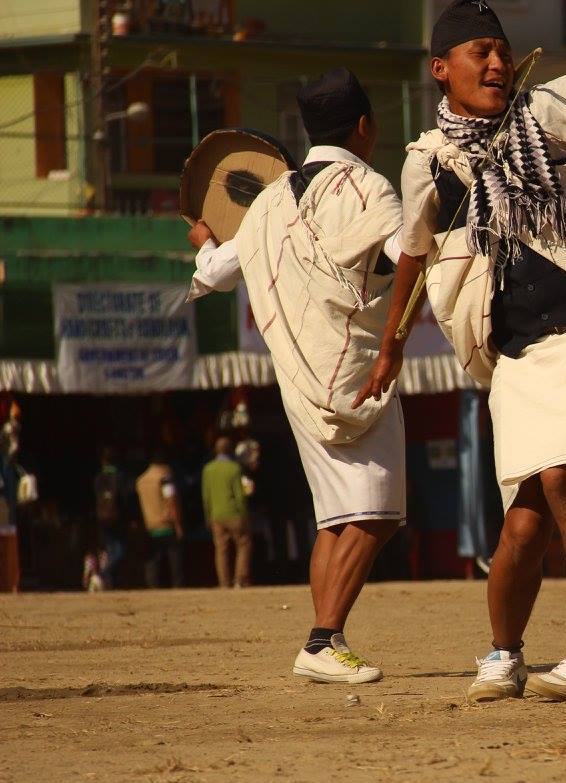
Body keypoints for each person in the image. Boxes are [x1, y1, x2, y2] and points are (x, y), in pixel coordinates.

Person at [360, 0, 566, 704]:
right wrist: (388, 351)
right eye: (481, 51)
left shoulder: (545, 114)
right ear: (441, 69)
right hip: (520, 354)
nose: (499, 63)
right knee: (525, 520)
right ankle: (504, 655)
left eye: (503, 51)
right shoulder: (427, 163)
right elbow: (413, 260)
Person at [189, 67, 406, 684]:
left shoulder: (267, 203)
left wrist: (204, 241)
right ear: (365, 127)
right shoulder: (368, 188)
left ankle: (324, 647)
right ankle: (322, 639)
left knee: (335, 518)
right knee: (377, 514)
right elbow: (403, 254)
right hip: (359, 374)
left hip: (297, 382)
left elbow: (216, 270)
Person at [201, 437, 251, 589]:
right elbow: (239, 494)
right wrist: (244, 514)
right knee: (243, 544)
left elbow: (206, 496)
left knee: (221, 549)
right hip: (235, 514)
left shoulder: (208, 469)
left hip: (216, 515)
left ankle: (224, 582)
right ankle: (239, 579)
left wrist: (208, 517)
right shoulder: (234, 468)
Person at [136, 450, 185, 588]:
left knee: (153, 561)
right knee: (175, 561)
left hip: (150, 525)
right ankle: (178, 587)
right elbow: (171, 501)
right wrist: (178, 525)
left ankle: (152, 587)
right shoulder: (165, 478)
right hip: (166, 524)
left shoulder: (141, 480)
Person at [92, 446, 131, 591]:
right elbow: (125, 498)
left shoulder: (98, 477)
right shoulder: (120, 476)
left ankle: (108, 582)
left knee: (109, 549)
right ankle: (103, 574)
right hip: (117, 517)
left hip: (102, 517)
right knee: (119, 550)